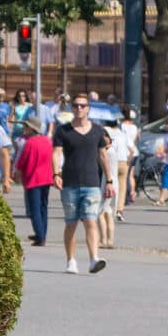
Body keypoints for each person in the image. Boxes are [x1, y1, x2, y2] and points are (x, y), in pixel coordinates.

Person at [52, 94, 111, 274]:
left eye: (83, 106)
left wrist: (109, 181)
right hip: (70, 183)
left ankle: (94, 259)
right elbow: (56, 153)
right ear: (72, 108)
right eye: (76, 105)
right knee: (71, 223)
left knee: (91, 220)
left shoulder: (98, 131)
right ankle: (71, 261)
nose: (79, 108)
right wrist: (56, 173)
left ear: (88, 109)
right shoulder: (63, 131)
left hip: (92, 183)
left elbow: (103, 155)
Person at [14, 117, 55, 246]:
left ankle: (40, 236)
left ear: (32, 128)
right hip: (46, 178)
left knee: (34, 209)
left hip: (33, 179)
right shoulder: (47, 141)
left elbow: (22, 161)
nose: (24, 128)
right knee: (43, 208)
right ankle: (42, 233)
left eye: (26, 126)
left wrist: (17, 174)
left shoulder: (30, 143)